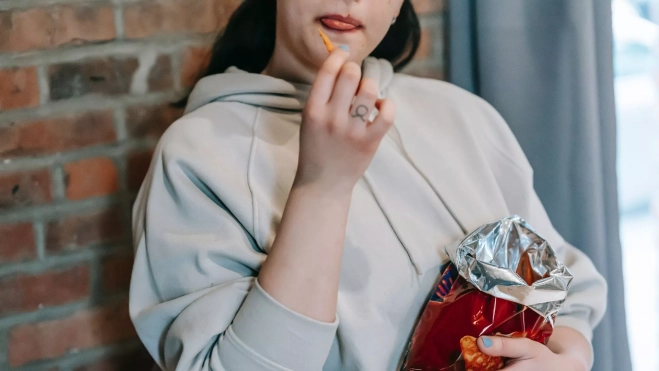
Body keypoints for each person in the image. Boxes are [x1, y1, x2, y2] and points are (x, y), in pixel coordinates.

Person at [128, 0, 607, 370]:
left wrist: (567, 356)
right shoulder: (198, 154)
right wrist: (322, 187)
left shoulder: (462, 115)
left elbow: (567, 287)